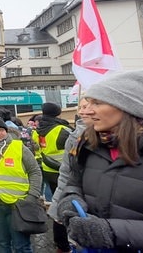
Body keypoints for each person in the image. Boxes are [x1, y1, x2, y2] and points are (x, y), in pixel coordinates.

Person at [57, 70, 143, 251]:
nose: (88, 110)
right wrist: (70, 199)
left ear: (126, 106)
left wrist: (112, 232)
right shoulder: (87, 144)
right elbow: (73, 183)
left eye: (97, 102)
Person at [0, 114, 42, 253]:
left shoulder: (18, 147)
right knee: (2, 243)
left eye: (1, 130)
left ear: (6, 131)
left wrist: (31, 196)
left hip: (18, 205)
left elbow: (35, 171)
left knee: (21, 245)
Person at [47, 96, 92, 253]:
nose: (83, 111)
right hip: (66, 182)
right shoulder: (71, 133)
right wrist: (56, 206)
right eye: (81, 107)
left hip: (49, 169)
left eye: (87, 106)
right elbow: (67, 172)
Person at [33, 102, 73, 252]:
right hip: (63, 172)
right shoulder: (62, 129)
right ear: (58, 113)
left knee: (57, 202)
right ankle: (64, 242)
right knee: (65, 205)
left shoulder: (37, 130)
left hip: (47, 168)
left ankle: (60, 243)